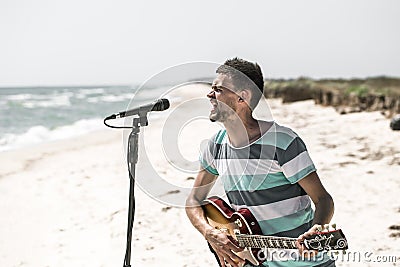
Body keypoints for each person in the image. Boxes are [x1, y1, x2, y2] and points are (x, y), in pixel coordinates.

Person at [185, 57, 335, 267]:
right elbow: (193, 201)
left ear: (242, 97)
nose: (209, 94)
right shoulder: (215, 147)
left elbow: (323, 200)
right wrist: (209, 232)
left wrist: (317, 228)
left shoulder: (282, 142)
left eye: (218, 89)